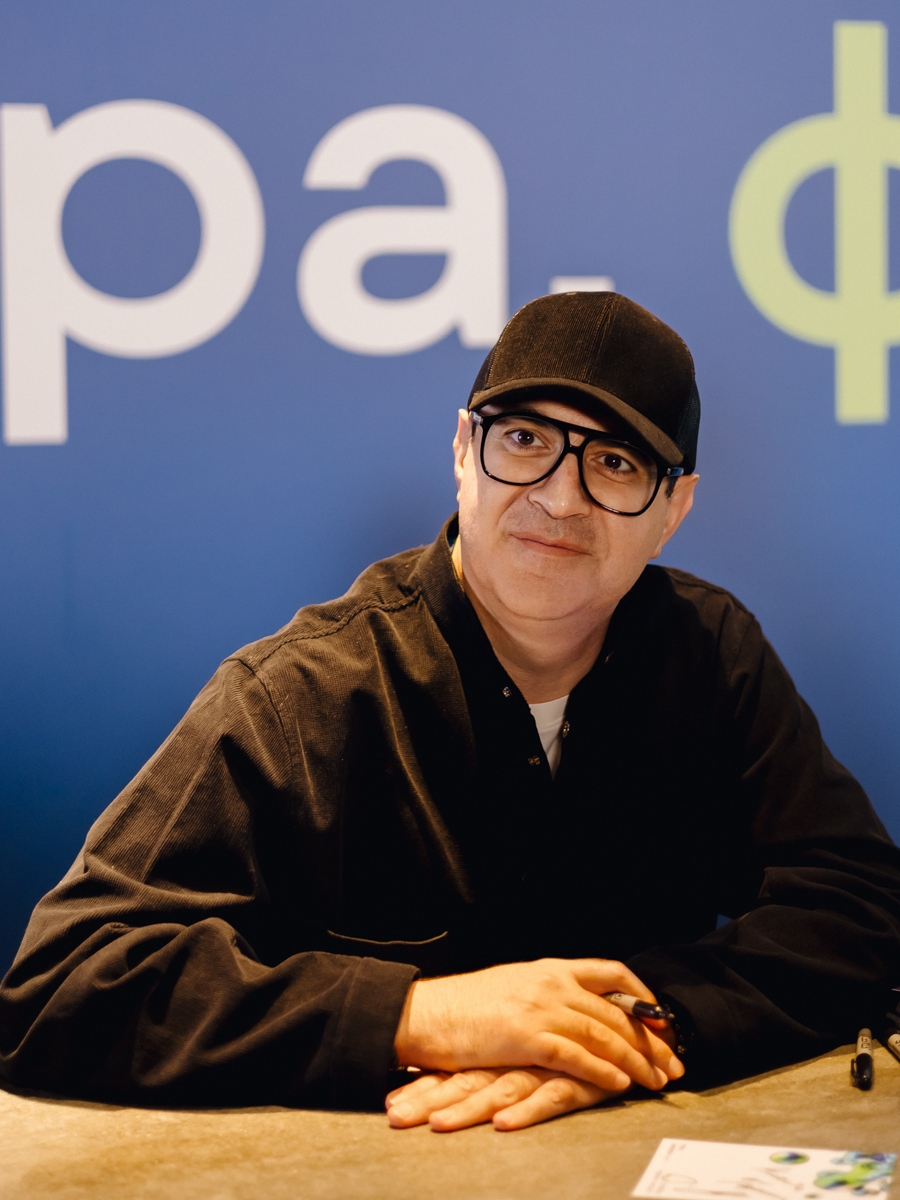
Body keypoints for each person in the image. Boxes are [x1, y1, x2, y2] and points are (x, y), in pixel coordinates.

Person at [1, 292, 898, 1133]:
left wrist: (637, 1025)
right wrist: (418, 1015)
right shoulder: (300, 695)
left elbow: (863, 907)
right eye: (525, 440)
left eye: (616, 463)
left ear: (674, 508)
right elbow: (63, 986)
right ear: (465, 451)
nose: (559, 496)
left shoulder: (711, 656)